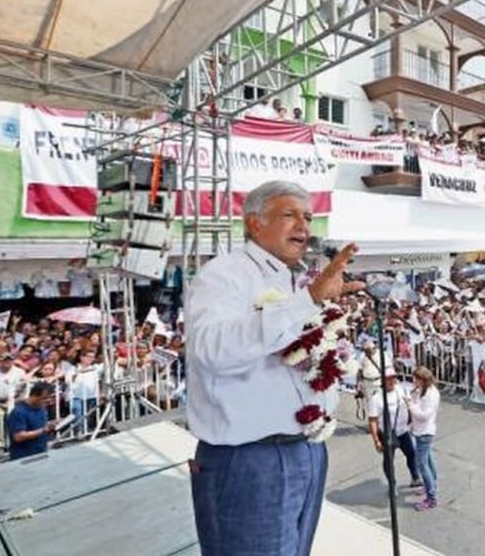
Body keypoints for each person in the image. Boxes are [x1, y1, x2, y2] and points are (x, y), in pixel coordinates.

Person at [184, 180, 365, 556]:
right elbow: (212, 350)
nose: (303, 225)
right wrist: (309, 300)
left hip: (306, 450)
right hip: (250, 461)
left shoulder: (290, 279)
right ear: (255, 223)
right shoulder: (223, 275)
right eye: (290, 214)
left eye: (309, 217)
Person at [368, 366, 423, 491]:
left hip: (403, 431)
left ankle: (415, 478)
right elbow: (373, 421)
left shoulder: (402, 389)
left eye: (393, 377)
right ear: (382, 380)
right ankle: (392, 484)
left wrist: (411, 421)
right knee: (388, 461)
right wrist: (376, 440)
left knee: (411, 454)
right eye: (388, 378)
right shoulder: (376, 398)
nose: (391, 381)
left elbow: (409, 405)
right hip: (386, 434)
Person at [407, 366, 441, 511]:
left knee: (422, 465)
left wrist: (411, 406)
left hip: (424, 433)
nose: (414, 381)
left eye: (416, 379)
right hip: (423, 431)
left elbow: (423, 415)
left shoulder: (430, 395)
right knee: (428, 460)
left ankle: (431, 497)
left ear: (422, 379)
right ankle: (431, 485)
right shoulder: (424, 390)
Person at [7, 381, 56, 460]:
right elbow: (18, 436)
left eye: (49, 397)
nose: (47, 401)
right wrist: (43, 430)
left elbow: (38, 425)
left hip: (41, 453)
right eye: (44, 398)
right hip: (24, 457)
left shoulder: (41, 408)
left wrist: (51, 424)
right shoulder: (19, 412)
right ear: (34, 396)